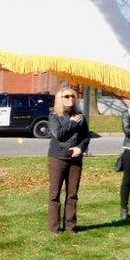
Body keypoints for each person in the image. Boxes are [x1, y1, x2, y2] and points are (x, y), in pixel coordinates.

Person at [47, 86, 89, 233]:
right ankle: (54, 228)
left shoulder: (80, 115)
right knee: (55, 194)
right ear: (60, 99)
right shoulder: (54, 115)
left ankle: (70, 227)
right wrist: (72, 122)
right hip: (57, 158)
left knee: (72, 194)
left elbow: (86, 135)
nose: (70, 98)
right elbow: (59, 135)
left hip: (75, 159)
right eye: (66, 96)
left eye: (72, 96)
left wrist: (81, 148)